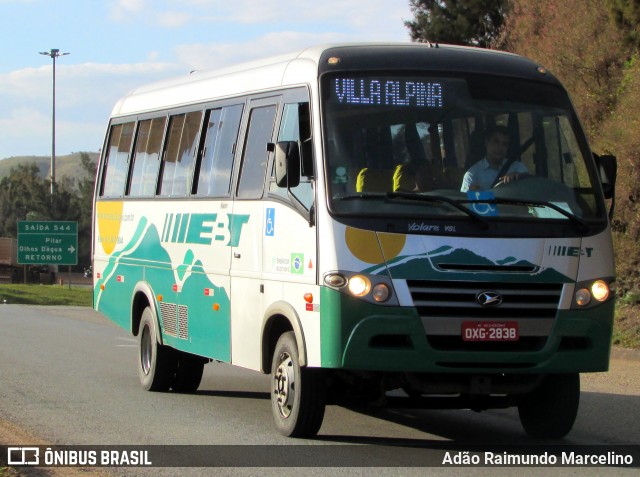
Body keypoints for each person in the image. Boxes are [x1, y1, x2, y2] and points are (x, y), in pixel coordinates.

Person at [460, 125, 529, 192]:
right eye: (496, 142)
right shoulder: (472, 175)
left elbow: (531, 191)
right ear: (487, 143)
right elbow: (465, 202)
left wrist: (520, 178)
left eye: (504, 144)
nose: (500, 147)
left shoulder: (518, 167)